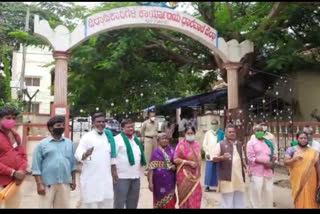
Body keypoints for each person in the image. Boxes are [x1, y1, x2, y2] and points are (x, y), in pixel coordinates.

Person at [32, 116, 77, 208]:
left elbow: (72, 164)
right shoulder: (42, 145)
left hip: (64, 182)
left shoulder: (69, 143)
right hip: (47, 183)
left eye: (63, 125)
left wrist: (73, 179)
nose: (61, 127)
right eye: (58, 125)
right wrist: (39, 184)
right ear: (51, 128)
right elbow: (36, 166)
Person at [74, 112, 116, 208]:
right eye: (98, 121)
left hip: (106, 178)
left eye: (103, 121)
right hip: (91, 178)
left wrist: (114, 170)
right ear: (93, 123)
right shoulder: (87, 137)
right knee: (91, 204)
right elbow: (78, 153)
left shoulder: (108, 137)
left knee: (107, 203)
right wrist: (85, 154)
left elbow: (113, 156)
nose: (101, 124)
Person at [113, 119, 147, 209]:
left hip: (135, 176)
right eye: (128, 127)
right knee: (119, 202)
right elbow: (112, 158)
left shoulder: (136, 140)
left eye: (132, 126)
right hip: (121, 177)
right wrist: (114, 172)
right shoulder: (117, 140)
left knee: (133, 202)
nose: (131, 128)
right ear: (122, 128)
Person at [212, 124, 246, 208]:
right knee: (227, 202)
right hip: (227, 177)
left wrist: (246, 166)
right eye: (230, 132)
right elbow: (213, 158)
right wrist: (222, 157)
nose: (232, 133)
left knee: (239, 201)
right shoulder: (221, 144)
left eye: (233, 131)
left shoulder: (239, 144)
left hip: (239, 178)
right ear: (225, 134)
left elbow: (242, 157)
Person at [284, 131, 320, 208]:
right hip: (297, 179)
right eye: (301, 138)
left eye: (305, 138)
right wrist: (294, 160)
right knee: (299, 196)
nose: (303, 140)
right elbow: (285, 162)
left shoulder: (313, 151)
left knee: (312, 197)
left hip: (311, 179)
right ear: (297, 139)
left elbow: (318, 166)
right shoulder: (291, 150)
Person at [0, 106, 27, 208]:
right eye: (8, 118)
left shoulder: (16, 135)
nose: (11, 120)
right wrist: (13, 172)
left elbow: (23, 156)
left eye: (13, 118)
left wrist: (21, 171)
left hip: (14, 184)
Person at [247, 124, 276, 208]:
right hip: (256, 172)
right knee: (256, 193)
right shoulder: (251, 143)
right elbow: (251, 158)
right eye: (257, 130)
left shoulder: (268, 142)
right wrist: (264, 163)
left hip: (268, 172)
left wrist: (272, 163)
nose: (259, 132)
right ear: (254, 132)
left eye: (261, 130)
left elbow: (273, 155)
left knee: (268, 192)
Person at [174, 126, 202, 208]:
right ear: (184, 134)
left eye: (192, 133)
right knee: (185, 199)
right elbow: (175, 159)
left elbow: (198, 159)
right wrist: (188, 162)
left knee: (197, 194)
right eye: (188, 133)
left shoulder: (196, 144)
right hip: (184, 176)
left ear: (194, 134)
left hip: (195, 176)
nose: (190, 135)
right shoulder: (181, 145)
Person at [147, 133, 176, 209]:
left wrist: (174, 167)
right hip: (158, 182)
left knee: (170, 201)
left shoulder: (173, 151)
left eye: (166, 138)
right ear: (158, 141)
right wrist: (150, 183)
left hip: (170, 181)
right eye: (162, 139)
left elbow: (177, 163)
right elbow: (151, 169)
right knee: (159, 200)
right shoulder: (155, 153)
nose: (165, 140)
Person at [202, 119, 224, 192]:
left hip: (218, 155)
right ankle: (207, 186)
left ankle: (218, 186)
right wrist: (207, 153)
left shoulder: (221, 133)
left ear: (218, 124)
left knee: (218, 171)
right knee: (209, 171)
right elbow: (204, 145)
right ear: (211, 124)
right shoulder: (208, 133)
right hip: (210, 155)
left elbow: (223, 144)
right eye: (212, 123)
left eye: (215, 124)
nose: (214, 125)